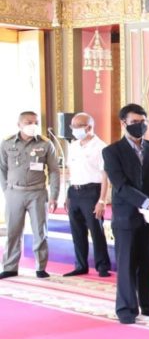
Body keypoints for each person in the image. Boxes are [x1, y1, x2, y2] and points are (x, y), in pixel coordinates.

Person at [102, 104, 149, 323]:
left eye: (143, 122)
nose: (140, 126)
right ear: (123, 123)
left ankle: (147, 303)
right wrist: (146, 203)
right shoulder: (111, 152)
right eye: (135, 122)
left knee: (148, 262)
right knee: (127, 264)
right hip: (126, 216)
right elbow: (120, 185)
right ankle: (126, 308)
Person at [0, 111, 60, 279]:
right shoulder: (7, 143)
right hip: (14, 193)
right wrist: (6, 190)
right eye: (28, 122)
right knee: (13, 231)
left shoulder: (46, 144)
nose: (32, 125)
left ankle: (41, 267)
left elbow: (54, 171)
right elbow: (2, 169)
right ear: (19, 124)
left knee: (40, 232)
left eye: (35, 122)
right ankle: (10, 266)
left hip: (37, 193)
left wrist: (54, 195)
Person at [63, 112, 112, 278]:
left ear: (89, 127)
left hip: (92, 191)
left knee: (96, 231)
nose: (74, 130)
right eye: (72, 127)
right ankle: (80, 265)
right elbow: (70, 171)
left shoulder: (101, 147)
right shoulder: (73, 146)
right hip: (74, 191)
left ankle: (102, 265)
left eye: (77, 127)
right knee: (77, 231)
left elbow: (105, 176)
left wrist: (102, 200)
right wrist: (67, 195)